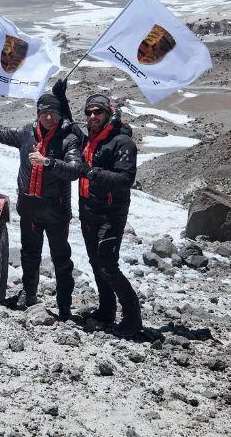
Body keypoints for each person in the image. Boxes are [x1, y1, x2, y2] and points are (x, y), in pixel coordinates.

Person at [0, 93, 81, 318]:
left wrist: (48, 162)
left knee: (61, 258)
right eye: (44, 112)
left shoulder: (68, 139)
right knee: (29, 255)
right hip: (30, 209)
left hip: (56, 213)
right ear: (38, 114)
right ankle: (29, 295)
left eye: (53, 112)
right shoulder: (27, 133)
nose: (49, 117)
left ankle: (64, 306)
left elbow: (75, 170)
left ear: (59, 114)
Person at [75, 93, 142, 337]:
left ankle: (133, 315)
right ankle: (106, 310)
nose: (92, 116)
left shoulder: (122, 143)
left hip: (111, 213)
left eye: (98, 112)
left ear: (107, 114)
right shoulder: (90, 140)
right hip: (88, 211)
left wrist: (91, 172)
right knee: (96, 262)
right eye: (88, 112)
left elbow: (125, 180)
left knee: (107, 264)